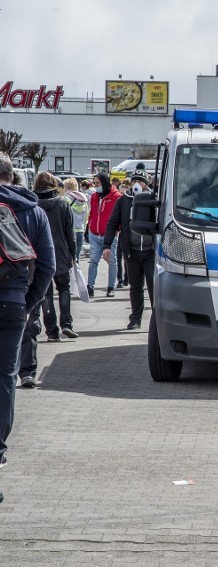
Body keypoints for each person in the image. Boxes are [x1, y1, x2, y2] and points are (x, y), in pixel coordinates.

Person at [0, 152, 55, 504]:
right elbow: (48, 266)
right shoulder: (34, 210)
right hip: (13, 303)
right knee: (5, 376)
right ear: (13, 176)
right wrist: (28, 303)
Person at [103, 170, 156, 330]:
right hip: (132, 251)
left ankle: (156, 319)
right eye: (134, 181)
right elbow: (112, 223)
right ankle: (135, 319)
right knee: (135, 286)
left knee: (154, 286)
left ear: (146, 184)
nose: (136, 185)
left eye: (140, 182)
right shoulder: (123, 200)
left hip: (151, 251)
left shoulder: (154, 199)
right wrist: (107, 245)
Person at [32, 172, 76, 341]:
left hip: (39, 251)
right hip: (60, 250)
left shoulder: (32, 204)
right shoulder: (63, 204)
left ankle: (52, 331)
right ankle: (66, 324)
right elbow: (69, 232)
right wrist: (73, 254)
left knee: (45, 293)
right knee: (64, 288)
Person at [85, 172, 121, 297]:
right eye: (94, 183)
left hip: (109, 235)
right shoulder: (94, 196)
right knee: (93, 260)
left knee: (112, 261)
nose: (95, 186)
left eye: (98, 183)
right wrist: (88, 227)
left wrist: (118, 229)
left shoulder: (116, 196)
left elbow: (120, 215)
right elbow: (92, 214)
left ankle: (111, 287)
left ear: (104, 182)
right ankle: (90, 286)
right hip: (94, 233)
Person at [63, 178, 89, 262]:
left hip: (69, 231)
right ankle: (77, 273)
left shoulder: (65, 199)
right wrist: (84, 229)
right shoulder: (84, 201)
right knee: (76, 257)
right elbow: (86, 217)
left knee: (67, 257)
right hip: (80, 230)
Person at [114, 179, 131, 289]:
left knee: (126, 258)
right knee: (118, 257)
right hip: (120, 233)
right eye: (121, 191)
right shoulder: (120, 202)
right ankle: (119, 278)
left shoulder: (128, 203)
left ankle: (126, 278)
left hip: (127, 233)